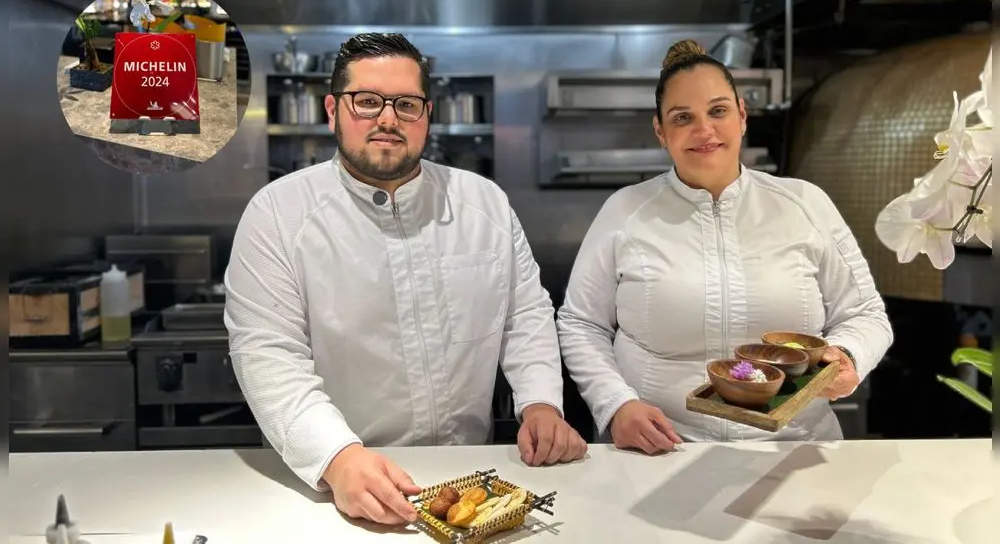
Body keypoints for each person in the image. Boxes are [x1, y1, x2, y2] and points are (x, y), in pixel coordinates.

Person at [224, 33, 586, 526]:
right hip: (338, 486)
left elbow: (524, 314)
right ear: (332, 110)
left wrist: (540, 403)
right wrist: (338, 458)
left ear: (427, 114)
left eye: (407, 104)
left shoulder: (484, 203)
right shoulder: (278, 214)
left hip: (470, 481)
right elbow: (268, 354)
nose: (388, 118)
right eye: (367, 101)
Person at [556, 39, 893, 454]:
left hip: (793, 447)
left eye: (718, 111)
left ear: (742, 116)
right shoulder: (624, 211)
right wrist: (615, 405)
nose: (704, 131)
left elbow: (864, 312)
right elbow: (581, 323)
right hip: (661, 449)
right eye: (683, 117)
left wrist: (847, 355)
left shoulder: (805, 204)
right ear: (660, 131)